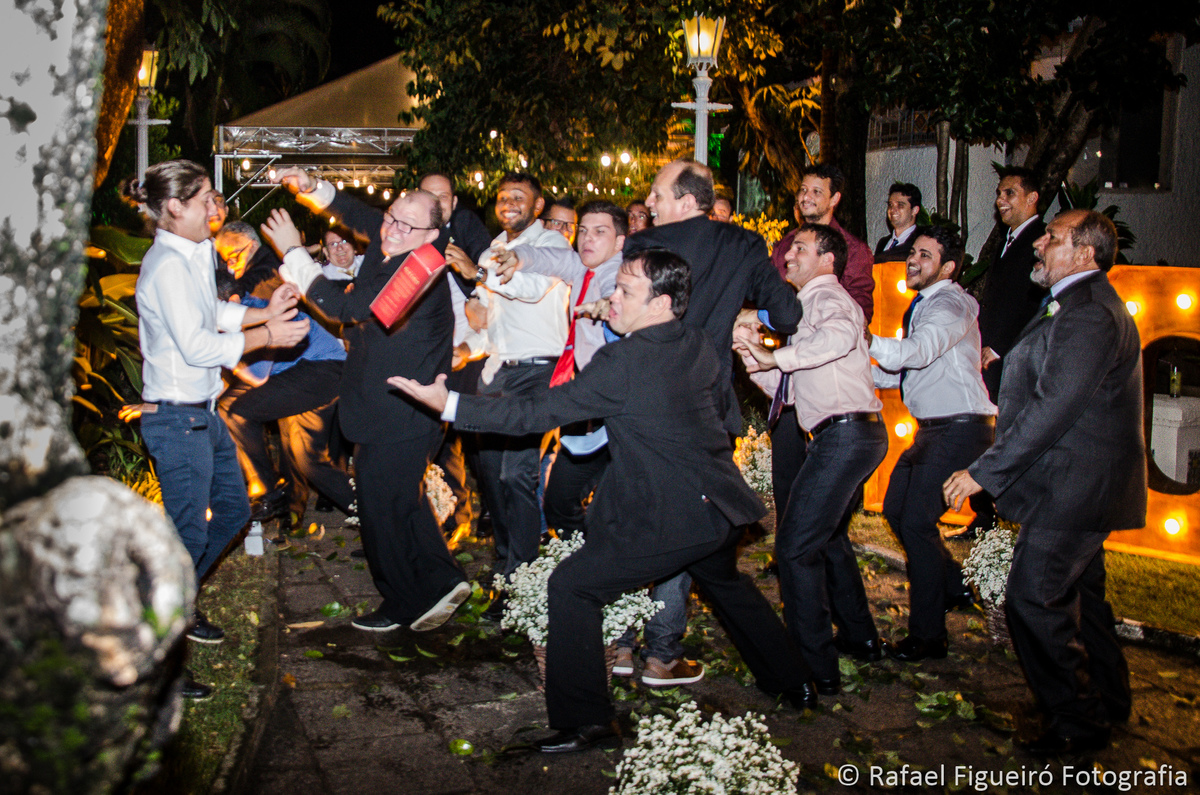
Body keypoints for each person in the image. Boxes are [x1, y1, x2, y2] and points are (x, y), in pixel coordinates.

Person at [389, 249, 819, 753]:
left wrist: (452, 404)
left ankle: (587, 721)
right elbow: (717, 410)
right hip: (720, 507)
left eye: (625, 292)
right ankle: (795, 681)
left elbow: (537, 412)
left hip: (678, 514)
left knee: (571, 587)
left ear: (659, 304)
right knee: (726, 584)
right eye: (614, 287)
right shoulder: (698, 340)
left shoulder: (625, 360)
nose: (611, 297)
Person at [944, 209, 1144, 756]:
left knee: (1033, 599)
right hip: (1080, 481)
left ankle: (1077, 722)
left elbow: (1054, 407)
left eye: (1051, 239)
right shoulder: (1076, 303)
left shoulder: (1089, 315)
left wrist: (984, 471)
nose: (1039, 246)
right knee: (1085, 598)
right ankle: (1107, 697)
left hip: (1076, 486)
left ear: (1084, 254)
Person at [126, 159, 309, 698]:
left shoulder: (194, 254)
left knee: (231, 510)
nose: (215, 205)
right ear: (175, 207)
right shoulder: (166, 265)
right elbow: (199, 346)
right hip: (176, 418)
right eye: (205, 196)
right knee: (189, 533)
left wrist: (261, 312)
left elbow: (213, 315)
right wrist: (269, 335)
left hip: (200, 414)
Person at [262, 167, 471, 633]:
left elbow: (347, 310)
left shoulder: (418, 269)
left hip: (400, 412)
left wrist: (295, 252)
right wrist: (313, 187)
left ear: (433, 235)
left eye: (405, 224)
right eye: (392, 217)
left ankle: (403, 603)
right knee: (406, 501)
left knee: (381, 510)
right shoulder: (398, 240)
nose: (391, 228)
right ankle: (443, 579)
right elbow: (358, 213)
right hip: (388, 406)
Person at [496, 201, 695, 685]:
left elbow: (615, 302)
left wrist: (607, 308)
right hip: (586, 413)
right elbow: (553, 260)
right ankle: (615, 623)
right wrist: (520, 260)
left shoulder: (615, 278)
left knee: (631, 520)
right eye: (583, 230)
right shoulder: (581, 266)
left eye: (599, 232)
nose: (586, 240)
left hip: (623, 420)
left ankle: (636, 638)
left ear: (621, 240)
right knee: (566, 503)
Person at [734, 223, 887, 697]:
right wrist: (753, 357)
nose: (787, 255)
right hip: (843, 434)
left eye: (799, 247)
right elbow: (795, 389)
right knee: (828, 540)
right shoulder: (810, 308)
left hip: (847, 435)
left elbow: (839, 338)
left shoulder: (828, 298)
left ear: (827, 259)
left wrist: (777, 357)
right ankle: (860, 636)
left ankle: (813, 666)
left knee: (796, 548)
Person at [442, 172, 571, 610]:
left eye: (520, 197)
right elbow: (493, 322)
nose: (509, 203)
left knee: (516, 473)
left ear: (537, 207)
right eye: (502, 197)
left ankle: (524, 580)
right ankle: (508, 560)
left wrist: (477, 273)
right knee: (490, 474)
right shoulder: (491, 247)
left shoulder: (552, 245)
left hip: (538, 371)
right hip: (496, 371)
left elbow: (531, 290)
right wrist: (465, 348)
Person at [868, 226, 995, 661]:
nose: (913, 260)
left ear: (948, 267)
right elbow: (902, 371)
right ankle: (954, 585)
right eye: (913, 253)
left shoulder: (950, 303)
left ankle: (928, 636)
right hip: (934, 429)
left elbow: (918, 352)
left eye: (925, 254)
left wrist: (861, 340)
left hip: (961, 428)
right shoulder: (923, 305)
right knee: (896, 509)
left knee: (918, 522)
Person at [216, 275, 354, 537]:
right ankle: (369, 510)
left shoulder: (258, 315)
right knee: (309, 460)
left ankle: (268, 489)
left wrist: (223, 350)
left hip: (323, 370)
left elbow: (257, 376)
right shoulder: (247, 313)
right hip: (302, 372)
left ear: (232, 301)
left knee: (239, 412)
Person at [965, 167, 1048, 539]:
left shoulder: (1040, 240)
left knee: (1007, 435)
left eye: (1010, 193)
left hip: (1011, 357)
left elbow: (1031, 303)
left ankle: (1004, 514)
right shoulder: (1009, 238)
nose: (1001, 201)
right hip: (991, 353)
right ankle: (986, 516)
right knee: (989, 434)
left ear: (1032, 199)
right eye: (999, 193)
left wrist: (999, 346)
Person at [420, 171, 495, 541]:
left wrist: (466, 348)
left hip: (471, 347)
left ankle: (490, 512)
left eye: (443, 196)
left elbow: (483, 300)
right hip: (433, 355)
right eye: (428, 196)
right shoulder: (412, 241)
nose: (436, 203)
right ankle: (454, 513)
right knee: (440, 438)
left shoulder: (466, 233)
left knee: (477, 438)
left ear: (453, 202)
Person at [214, 220, 282, 300]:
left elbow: (242, 293)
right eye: (227, 262)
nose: (231, 266)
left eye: (234, 257)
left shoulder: (270, 270)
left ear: (253, 246)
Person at [874, 183, 922, 262]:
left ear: (914, 210)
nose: (892, 210)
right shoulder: (883, 243)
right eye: (890, 205)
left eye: (900, 205)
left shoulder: (919, 241)